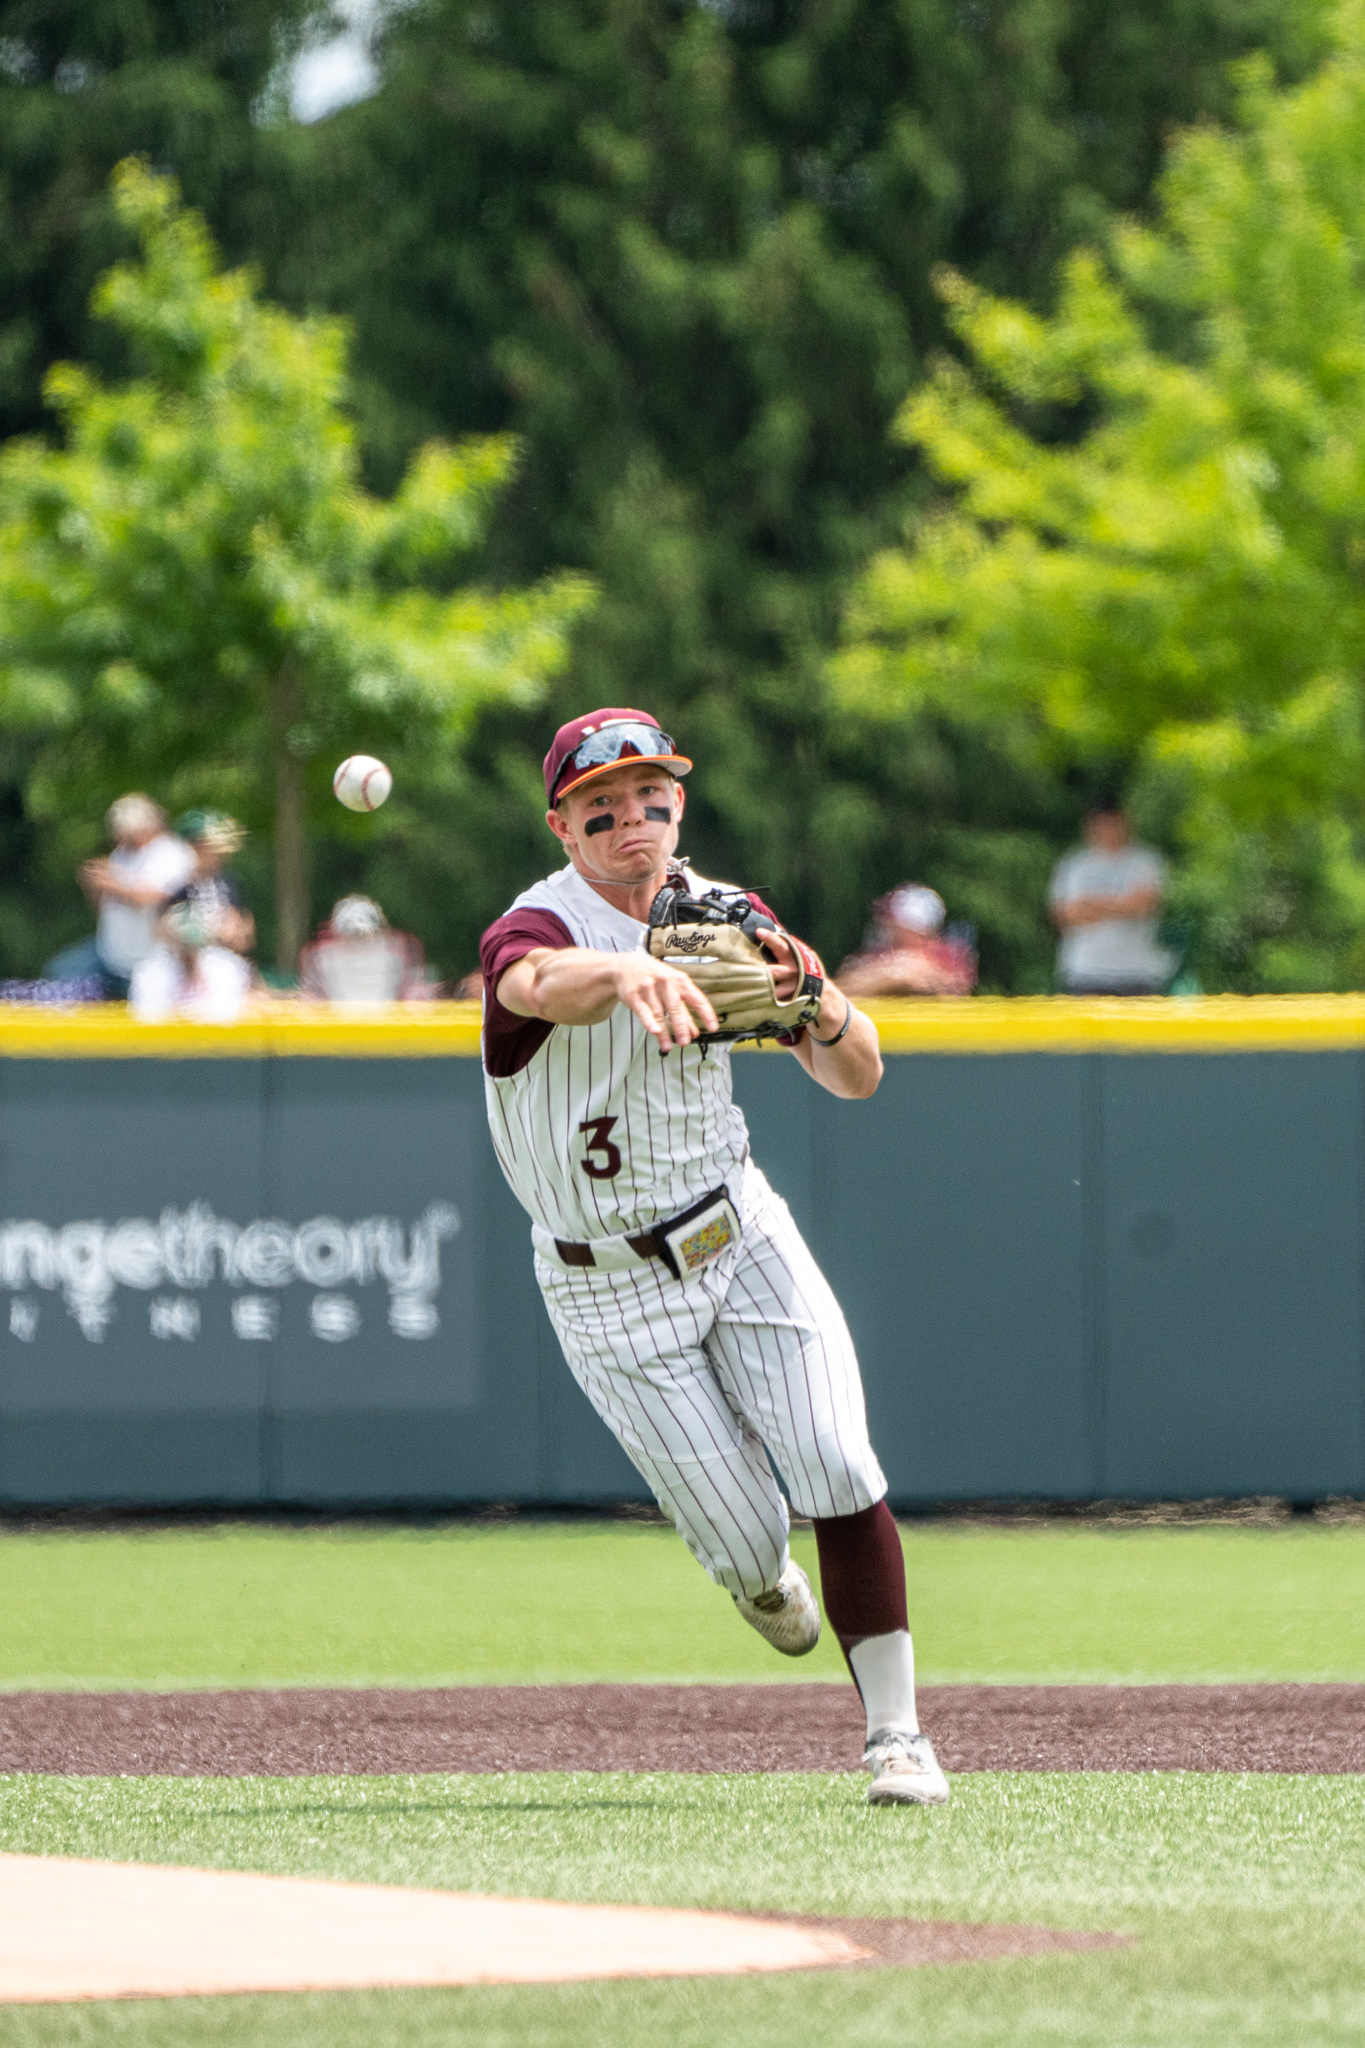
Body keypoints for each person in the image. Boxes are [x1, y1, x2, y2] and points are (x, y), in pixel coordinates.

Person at [478, 707, 949, 1808]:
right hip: (605, 1283)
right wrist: (620, 975)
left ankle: (896, 1737)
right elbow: (530, 988)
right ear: (563, 828)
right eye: (601, 807)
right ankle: (758, 1574)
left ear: (678, 805)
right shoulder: (535, 924)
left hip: (736, 1229)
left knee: (837, 1460)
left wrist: (817, 1000)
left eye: (649, 797)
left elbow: (858, 1076)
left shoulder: (722, 917)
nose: (630, 821)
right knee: (745, 1544)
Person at [59, 796, 196, 998]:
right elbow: (104, 908)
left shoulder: (171, 853)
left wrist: (110, 882)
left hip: (151, 957)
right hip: (111, 951)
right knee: (63, 975)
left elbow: (150, 896)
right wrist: (94, 887)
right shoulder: (122, 854)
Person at [1049, 800, 1176, 996]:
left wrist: (1092, 904)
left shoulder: (1146, 861)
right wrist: (1122, 904)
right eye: (1102, 823)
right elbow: (1066, 916)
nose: (1108, 829)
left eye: (1113, 823)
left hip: (1136, 973)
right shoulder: (1074, 864)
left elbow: (1144, 906)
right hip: (1084, 972)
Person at [836, 884, 977, 997]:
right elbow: (841, 990)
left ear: (915, 930)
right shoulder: (878, 955)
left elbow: (949, 990)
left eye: (894, 925)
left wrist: (886, 976)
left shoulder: (942, 959)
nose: (886, 929)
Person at [299, 897, 429, 1004]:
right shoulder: (324, 959)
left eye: (364, 941)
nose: (359, 949)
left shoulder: (395, 957)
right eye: (352, 940)